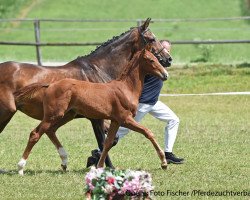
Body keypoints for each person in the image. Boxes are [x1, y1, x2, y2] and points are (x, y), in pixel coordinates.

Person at [87, 40, 184, 167]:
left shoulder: (160, 63)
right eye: (164, 49)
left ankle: (168, 154)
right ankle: (98, 154)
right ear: (158, 49)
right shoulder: (149, 63)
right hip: (142, 103)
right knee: (121, 131)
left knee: (173, 120)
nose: (167, 52)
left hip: (153, 102)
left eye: (168, 50)